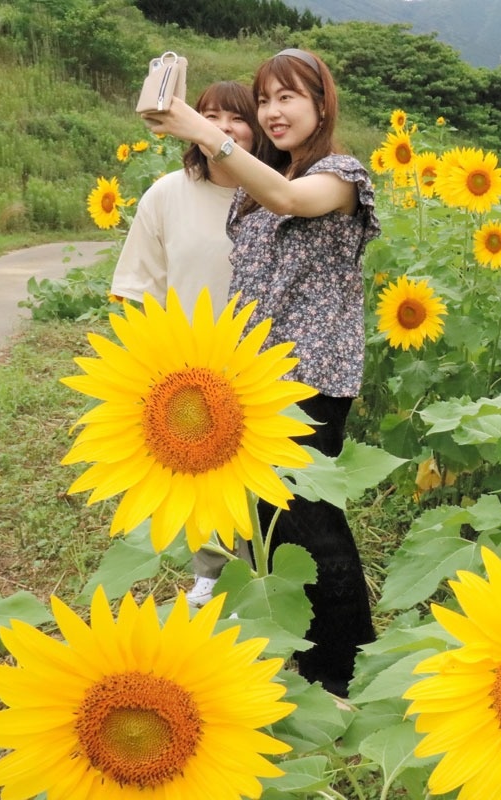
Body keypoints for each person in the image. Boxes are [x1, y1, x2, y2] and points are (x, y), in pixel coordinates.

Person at [141, 48, 381, 698]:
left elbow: (289, 197)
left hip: (311, 379)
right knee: (273, 529)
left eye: (288, 97)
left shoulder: (339, 176)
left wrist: (198, 124)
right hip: (255, 382)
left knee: (311, 525)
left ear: (322, 104)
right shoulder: (260, 183)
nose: (273, 112)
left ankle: (343, 671)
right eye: (265, 99)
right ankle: (303, 654)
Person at [111, 80, 262, 608]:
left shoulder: (270, 192)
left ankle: (263, 574)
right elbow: (140, 286)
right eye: (210, 115)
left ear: (258, 126)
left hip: (262, 358)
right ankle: (212, 571)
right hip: (187, 362)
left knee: (263, 472)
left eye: (237, 117)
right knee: (202, 472)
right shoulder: (167, 194)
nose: (223, 127)